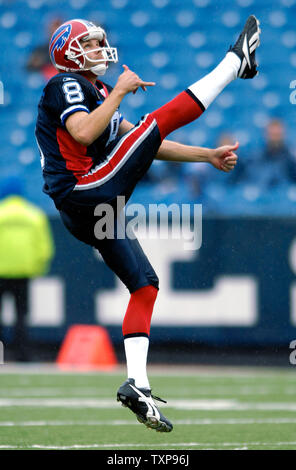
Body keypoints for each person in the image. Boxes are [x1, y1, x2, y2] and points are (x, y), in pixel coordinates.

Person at [35, 16, 261, 432]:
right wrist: (119, 92)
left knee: (145, 284)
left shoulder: (97, 92)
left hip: (89, 207)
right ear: (70, 52)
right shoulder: (64, 85)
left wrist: (206, 155)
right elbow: (83, 132)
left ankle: (136, 384)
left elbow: (143, 142)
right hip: (84, 189)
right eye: (92, 43)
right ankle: (234, 63)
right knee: (155, 121)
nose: (102, 49)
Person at [0, 176, 55, 361]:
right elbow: (44, 248)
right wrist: (38, 267)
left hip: (1, 272)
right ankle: (22, 354)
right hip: (24, 273)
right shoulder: (34, 215)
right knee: (21, 316)